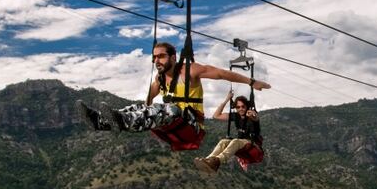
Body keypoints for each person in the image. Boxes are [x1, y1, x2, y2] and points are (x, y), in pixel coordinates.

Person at [77, 42, 270, 132]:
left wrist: (252, 82)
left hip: (191, 124)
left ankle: (124, 121)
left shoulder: (190, 70)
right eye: (154, 57)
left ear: (173, 57)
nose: (156, 60)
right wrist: (145, 108)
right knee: (138, 107)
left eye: (160, 56)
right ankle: (101, 122)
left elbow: (221, 73)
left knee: (168, 108)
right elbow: (149, 99)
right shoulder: (159, 79)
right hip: (173, 119)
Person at [193, 91, 261, 174]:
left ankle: (217, 160)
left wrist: (253, 115)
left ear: (247, 106)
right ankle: (208, 160)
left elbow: (256, 118)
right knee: (223, 141)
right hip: (241, 143)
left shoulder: (251, 115)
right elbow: (216, 115)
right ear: (236, 108)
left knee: (236, 141)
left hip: (252, 143)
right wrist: (227, 99)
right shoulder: (236, 116)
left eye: (243, 106)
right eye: (238, 107)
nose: (241, 109)